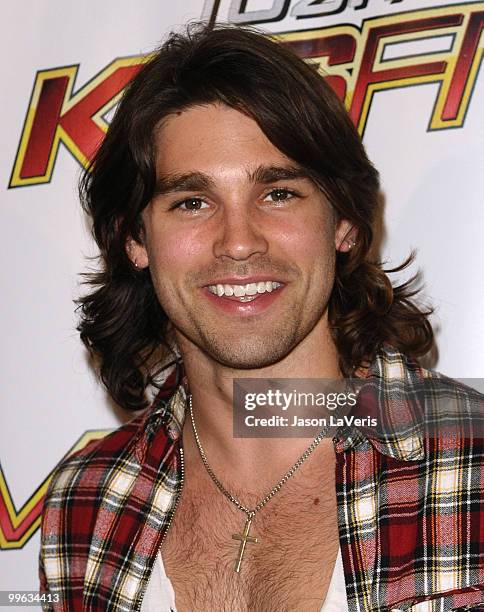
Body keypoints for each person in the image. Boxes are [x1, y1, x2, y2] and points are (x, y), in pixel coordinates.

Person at [39, 23, 483, 611]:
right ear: (135, 240)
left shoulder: (471, 469)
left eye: (278, 194)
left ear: (344, 222)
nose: (239, 242)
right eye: (192, 202)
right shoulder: (86, 500)